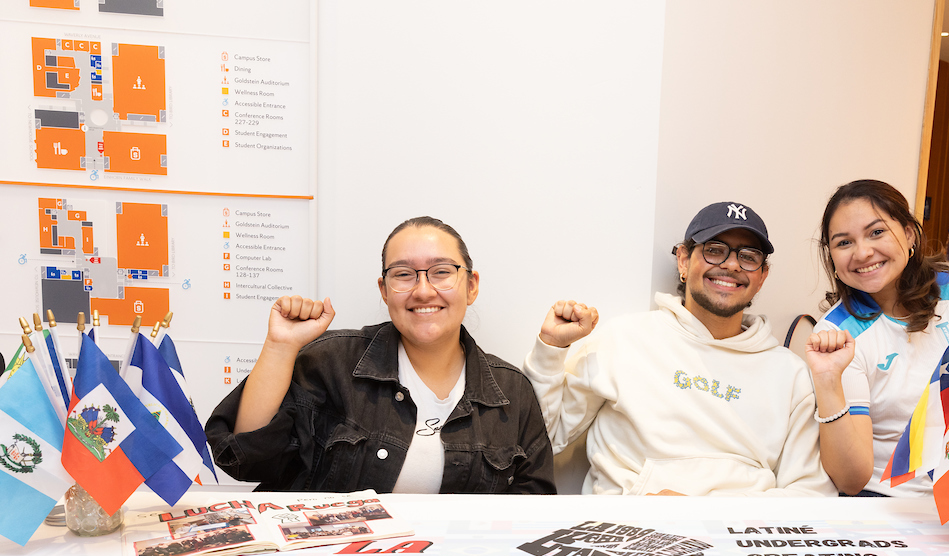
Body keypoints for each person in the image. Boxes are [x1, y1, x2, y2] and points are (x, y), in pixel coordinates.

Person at [206, 216, 556, 494]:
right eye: (403, 275)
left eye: (441, 272)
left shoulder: (512, 391)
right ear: (385, 290)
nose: (422, 290)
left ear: (471, 285)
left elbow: (533, 507)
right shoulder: (330, 362)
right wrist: (281, 347)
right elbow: (244, 460)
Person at [523, 201, 835, 497]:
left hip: (735, 538)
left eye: (748, 256)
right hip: (627, 532)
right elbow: (539, 439)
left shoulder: (791, 374)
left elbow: (808, 494)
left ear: (762, 276)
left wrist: (706, 510)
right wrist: (550, 349)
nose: (730, 265)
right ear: (684, 260)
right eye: (714, 251)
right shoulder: (623, 339)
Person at [807, 180, 949, 497]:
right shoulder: (838, 335)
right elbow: (851, 480)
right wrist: (828, 382)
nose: (863, 252)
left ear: (909, 234)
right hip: (888, 500)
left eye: (876, 232)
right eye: (844, 243)